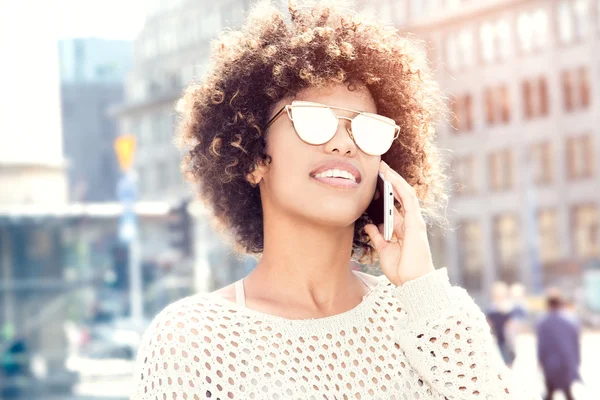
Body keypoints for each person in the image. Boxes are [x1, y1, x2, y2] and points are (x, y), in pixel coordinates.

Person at [131, 1, 538, 398]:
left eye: (368, 129)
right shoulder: (194, 342)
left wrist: (422, 289)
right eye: (313, 120)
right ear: (254, 158)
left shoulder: (428, 317)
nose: (344, 143)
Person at [536, 291, 581, 400]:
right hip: (567, 362)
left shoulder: (542, 322)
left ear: (548, 305)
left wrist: (540, 360)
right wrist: (577, 361)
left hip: (550, 364)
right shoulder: (571, 321)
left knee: (550, 392)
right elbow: (576, 343)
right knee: (568, 392)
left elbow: (541, 345)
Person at [485, 281, 515, 366]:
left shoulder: (508, 307)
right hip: (498, 337)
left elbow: (511, 323)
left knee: (510, 357)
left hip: (508, 337)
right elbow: (489, 322)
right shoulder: (492, 308)